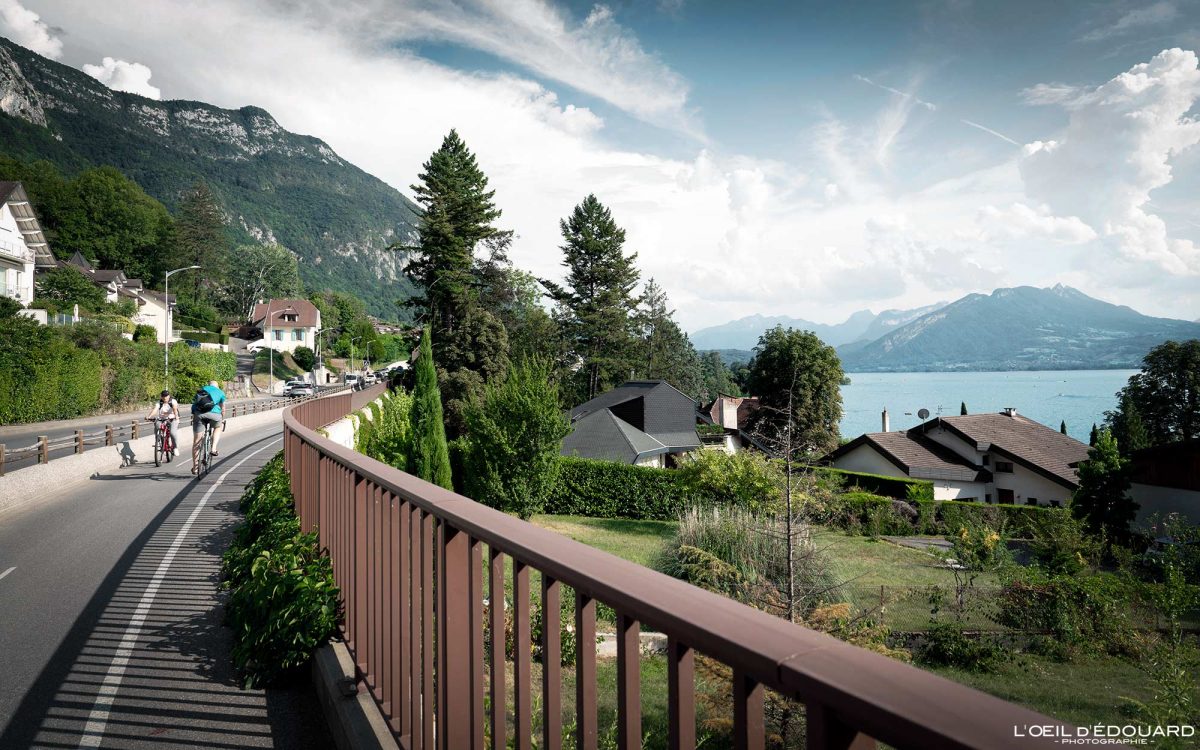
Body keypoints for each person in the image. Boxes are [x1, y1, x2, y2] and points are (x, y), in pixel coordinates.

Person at [192, 380, 227, 474]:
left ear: (208, 385)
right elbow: (223, 409)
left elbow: (194, 404)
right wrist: (222, 417)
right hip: (214, 415)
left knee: (196, 442)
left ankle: (195, 467)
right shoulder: (220, 392)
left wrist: (194, 415)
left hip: (199, 415)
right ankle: (213, 448)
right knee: (217, 427)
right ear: (217, 386)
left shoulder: (202, 390)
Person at [146, 389, 180, 456]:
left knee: (172, 433)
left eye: (166, 396)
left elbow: (175, 409)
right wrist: (149, 416)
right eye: (163, 396)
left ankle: (175, 447)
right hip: (162, 419)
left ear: (169, 396)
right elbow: (155, 410)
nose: (165, 397)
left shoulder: (173, 401)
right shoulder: (159, 402)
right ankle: (158, 440)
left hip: (172, 419)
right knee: (157, 425)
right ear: (161, 396)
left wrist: (176, 416)